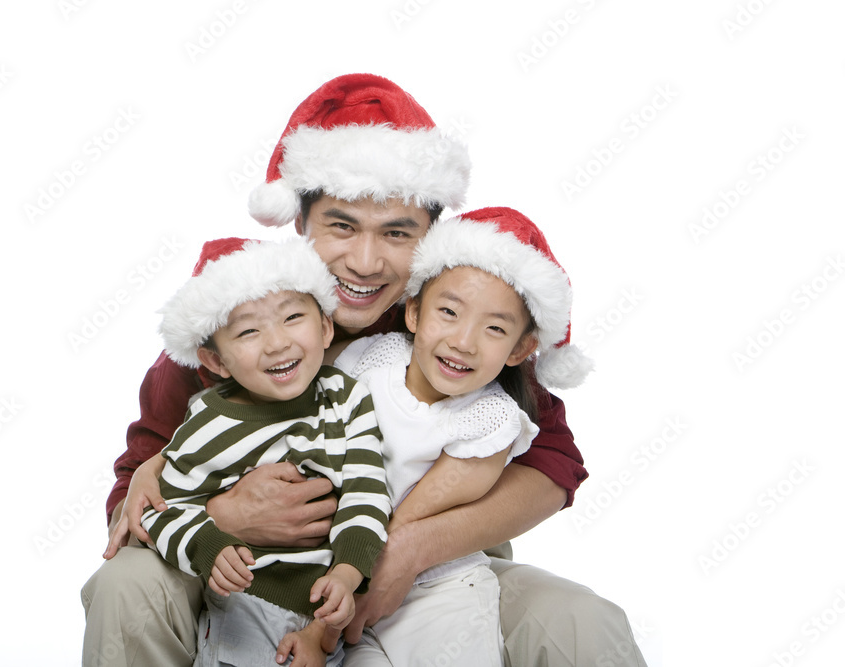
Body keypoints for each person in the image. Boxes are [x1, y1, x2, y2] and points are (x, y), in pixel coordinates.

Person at [82, 73, 647, 667]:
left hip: (434, 579)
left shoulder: (453, 330)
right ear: (301, 224)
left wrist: (406, 545)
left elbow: (554, 466)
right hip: (249, 578)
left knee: (581, 621)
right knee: (127, 585)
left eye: (397, 233)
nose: (366, 261)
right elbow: (130, 507)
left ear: (430, 237)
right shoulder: (231, 328)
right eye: (342, 226)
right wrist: (227, 515)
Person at [327, 206, 591, 664]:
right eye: (448, 312)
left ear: (521, 349)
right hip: (339, 567)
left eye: (494, 329)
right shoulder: (370, 358)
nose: (464, 341)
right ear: (413, 312)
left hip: (439, 585)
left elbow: (415, 516)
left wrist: (366, 564)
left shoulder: (492, 417)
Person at [141, 236, 392, 666]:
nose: (276, 344)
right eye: (248, 331)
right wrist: (208, 544)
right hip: (247, 606)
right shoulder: (207, 424)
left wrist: (348, 574)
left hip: (338, 607)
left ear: (326, 326)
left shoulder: (348, 399)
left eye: (293, 317)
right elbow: (162, 511)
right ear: (217, 361)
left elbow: (367, 494)